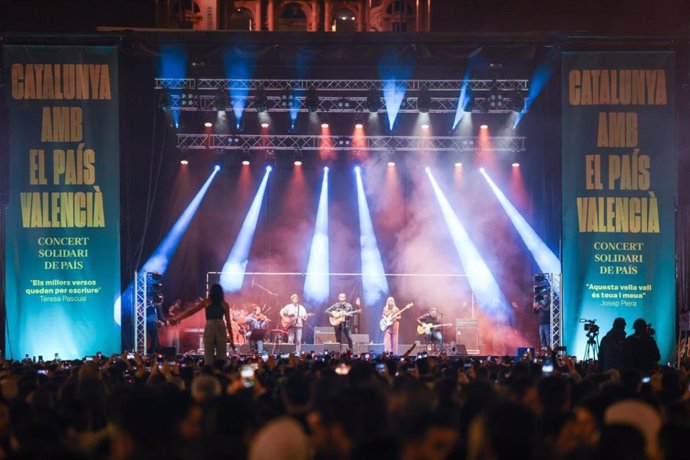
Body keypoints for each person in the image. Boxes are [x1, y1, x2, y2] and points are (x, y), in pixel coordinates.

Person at [172, 284, 235, 364]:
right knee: (222, 355)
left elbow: (192, 311)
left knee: (208, 355)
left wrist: (178, 319)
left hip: (210, 326)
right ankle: (221, 372)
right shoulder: (225, 304)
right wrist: (232, 340)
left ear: (211, 292)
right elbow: (229, 323)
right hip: (220, 327)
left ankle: (208, 372)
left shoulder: (206, 302)